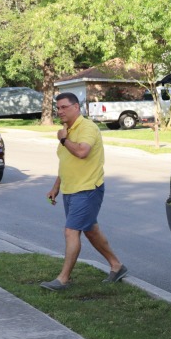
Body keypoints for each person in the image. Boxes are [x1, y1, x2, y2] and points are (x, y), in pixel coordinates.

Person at [41, 92, 127, 290]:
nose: (59, 111)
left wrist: (64, 140)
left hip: (87, 189)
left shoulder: (87, 127)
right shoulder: (65, 130)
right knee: (91, 231)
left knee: (71, 231)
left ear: (76, 107)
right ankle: (117, 265)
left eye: (64, 107)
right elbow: (66, 163)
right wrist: (55, 188)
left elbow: (81, 152)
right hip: (71, 190)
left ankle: (63, 279)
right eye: (58, 107)